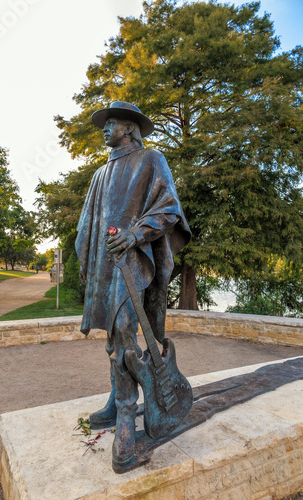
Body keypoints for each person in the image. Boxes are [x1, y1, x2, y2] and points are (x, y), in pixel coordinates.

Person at [75, 101, 191, 470]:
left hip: (133, 262)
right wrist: (91, 259)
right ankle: (116, 396)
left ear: (129, 128)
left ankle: (127, 413)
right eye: (104, 125)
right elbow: (88, 226)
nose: (104, 130)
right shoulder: (99, 175)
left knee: (126, 329)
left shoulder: (151, 160)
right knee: (112, 335)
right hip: (104, 267)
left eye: (111, 124)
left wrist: (135, 234)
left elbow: (169, 208)